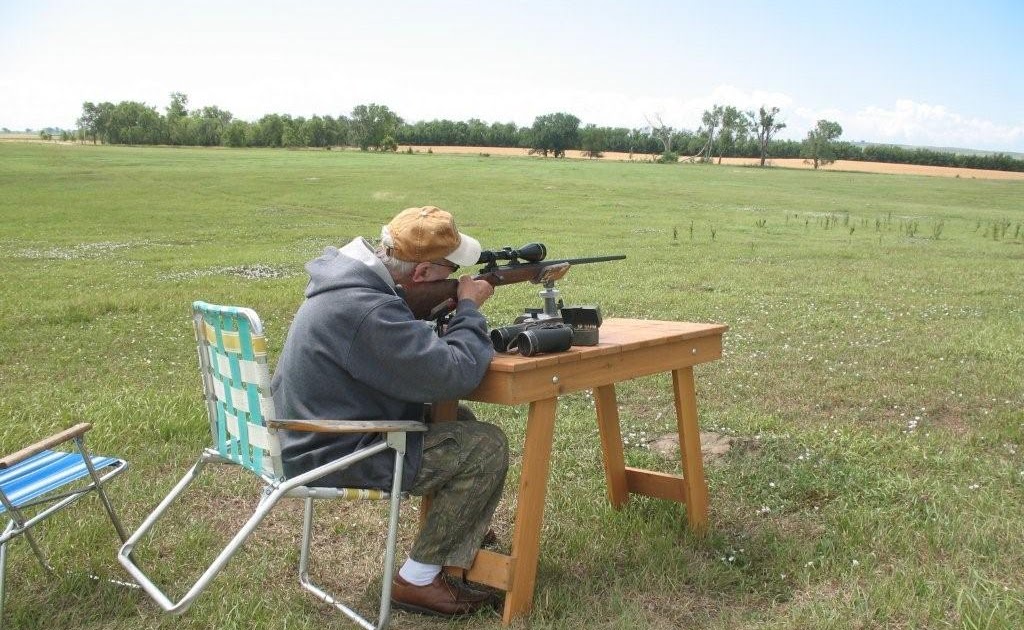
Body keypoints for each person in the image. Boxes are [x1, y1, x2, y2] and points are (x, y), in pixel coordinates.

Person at [271, 205, 508, 617]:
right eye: (448, 274)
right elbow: (453, 375)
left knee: (457, 422)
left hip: (305, 434)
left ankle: (458, 534)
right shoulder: (368, 310)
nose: (455, 281)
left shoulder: (348, 287)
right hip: (330, 453)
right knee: (484, 446)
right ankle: (417, 581)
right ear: (420, 275)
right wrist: (469, 309)